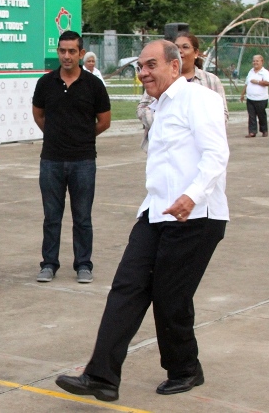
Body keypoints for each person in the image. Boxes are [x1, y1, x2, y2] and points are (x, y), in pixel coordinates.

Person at [55, 40, 229, 402]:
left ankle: (185, 369)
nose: (144, 73)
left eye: (151, 65)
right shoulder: (158, 106)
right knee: (127, 287)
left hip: (197, 215)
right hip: (155, 212)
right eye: (140, 67)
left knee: (170, 296)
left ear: (174, 65)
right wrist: (153, 204)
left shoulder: (200, 99)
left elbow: (216, 155)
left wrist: (192, 195)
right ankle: (101, 376)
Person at [33, 31, 111, 284]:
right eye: (62, 51)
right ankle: (49, 264)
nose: (66, 56)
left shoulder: (93, 84)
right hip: (51, 161)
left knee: (83, 217)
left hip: (83, 161)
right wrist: (56, 135)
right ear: (58, 52)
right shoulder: (46, 83)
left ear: (80, 53)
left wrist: (82, 137)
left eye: (72, 52)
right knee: (51, 216)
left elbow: (104, 121)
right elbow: (39, 115)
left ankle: (83, 265)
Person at [137, 32, 229, 150]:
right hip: (162, 147)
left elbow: (222, 115)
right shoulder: (162, 78)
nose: (180, 51)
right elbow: (143, 109)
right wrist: (169, 125)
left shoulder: (211, 80)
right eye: (177, 47)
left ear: (196, 53)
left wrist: (190, 125)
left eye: (185, 47)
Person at [239, 54, 269, 137]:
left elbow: (268, 83)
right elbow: (247, 83)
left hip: (261, 98)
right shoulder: (251, 71)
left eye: (257, 61)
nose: (255, 62)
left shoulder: (264, 72)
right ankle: (252, 132)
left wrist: (257, 82)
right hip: (250, 98)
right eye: (254, 61)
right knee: (251, 116)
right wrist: (242, 94)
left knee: (261, 115)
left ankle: (264, 130)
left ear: (262, 62)